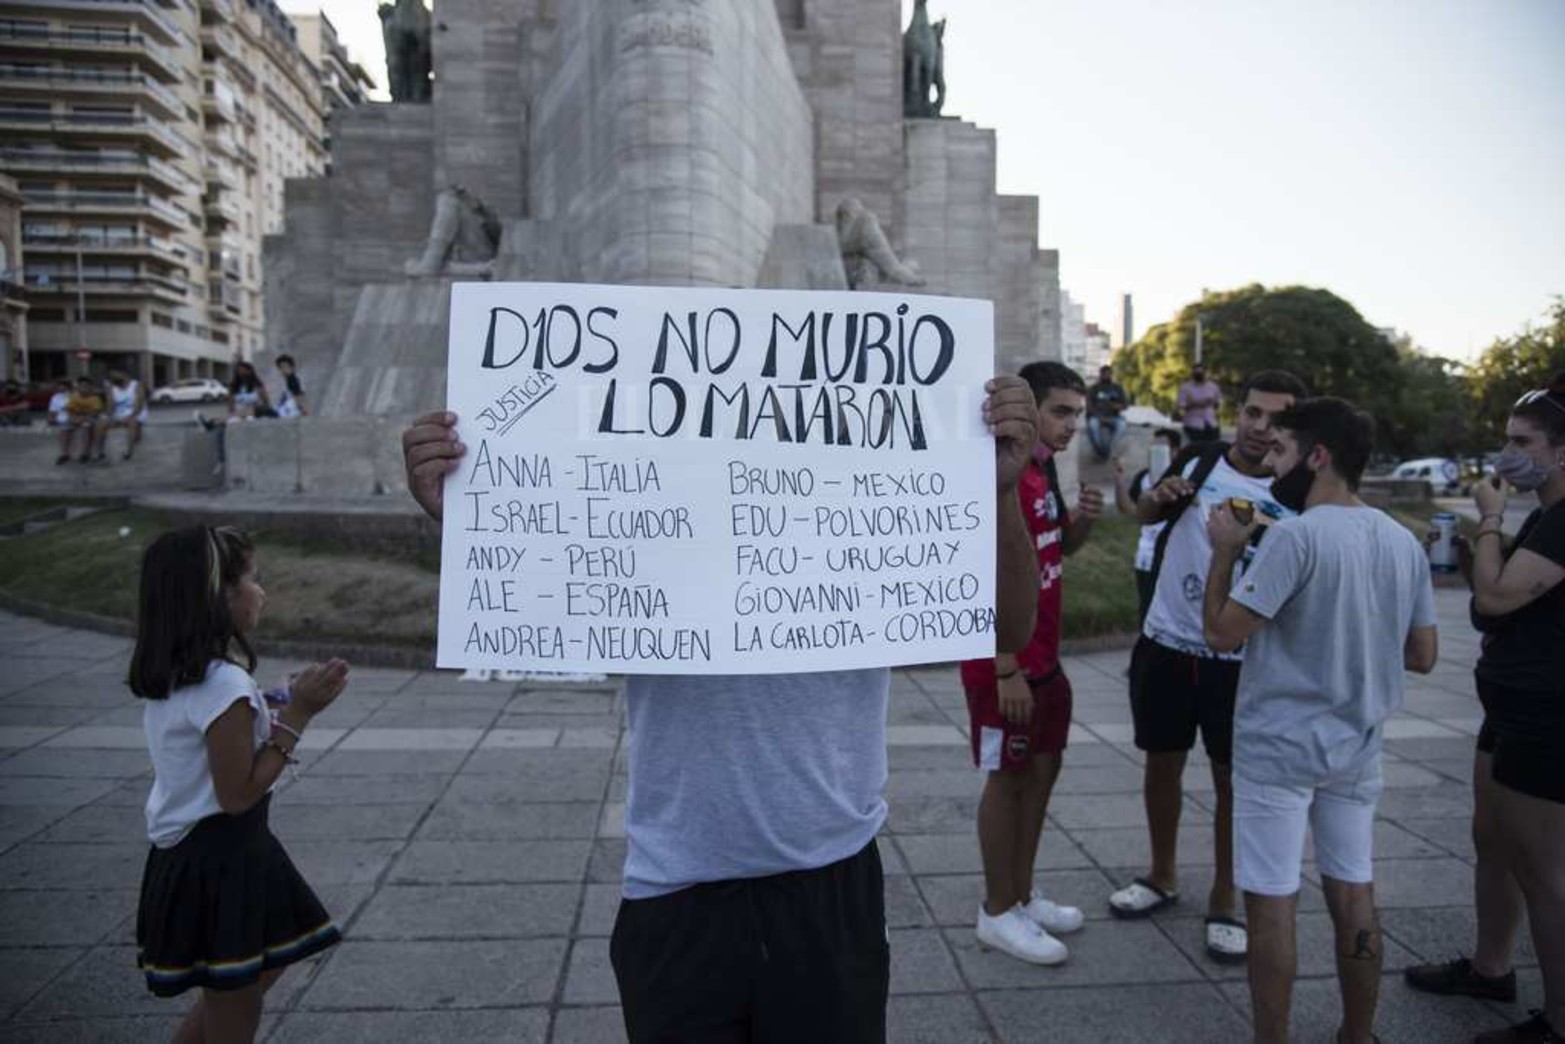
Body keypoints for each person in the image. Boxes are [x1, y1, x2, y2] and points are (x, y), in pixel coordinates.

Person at [401, 376, 1042, 1042]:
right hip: (678, 881)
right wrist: (481, 508)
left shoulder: (865, 515)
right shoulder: (654, 524)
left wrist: (996, 493)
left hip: (829, 874)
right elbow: (551, 585)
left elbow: (1007, 628)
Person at [1201, 397, 1438, 1044]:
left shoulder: (1294, 537)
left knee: (1270, 899)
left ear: (1317, 455)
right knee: (1352, 888)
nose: (1268, 463)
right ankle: (1357, 1035)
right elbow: (1422, 656)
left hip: (1278, 745)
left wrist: (1224, 551)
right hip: (1356, 744)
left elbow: (1222, 634)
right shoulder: (1399, 540)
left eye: (1279, 450)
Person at [1106, 369, 1307, 965]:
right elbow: (1143, 516)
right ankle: (1161, 875)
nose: (1258, 427)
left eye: (1274, 418)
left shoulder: (1298, 491)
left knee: (1229, 782)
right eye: (1251, 412)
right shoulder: (1198, 460)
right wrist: (1156, 498)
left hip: (1239, 659)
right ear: (1235, 412)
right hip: (1165, 644)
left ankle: (1226, 899)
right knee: (1160, 764)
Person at [129, 525, 349, 1042]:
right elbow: (238, 793)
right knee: (236, 1009)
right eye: (253, 578)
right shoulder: (223, 684)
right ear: (219, 595)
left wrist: (267, 705)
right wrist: (299, 712)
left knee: (258, 969)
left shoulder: (178, 675)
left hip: (197, 855)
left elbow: (213, 751)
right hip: (222, 859)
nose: (261, 591)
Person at [1405, 376, 1565, 1044]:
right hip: (1508, 705)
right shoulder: (1542, 513)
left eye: (1521, 443)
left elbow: (1495, 600)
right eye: (1505, 440)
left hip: (1547, 714)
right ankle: (1490, 967)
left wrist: (1490, 522)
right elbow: (1489, 598)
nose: (1506, 455)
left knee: (1540, 866)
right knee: (1490, 840)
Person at [961, 362, 1102, 965]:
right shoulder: (1002, 473)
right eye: (1061, 411)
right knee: (1008, 779)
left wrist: (1087, 522)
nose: (1072, 425)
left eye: (1078, 413)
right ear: (1030, 408)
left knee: (1042, 774)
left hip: (1047, 656)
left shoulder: (1043, 469)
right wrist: (1004, 663)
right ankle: (996, 911)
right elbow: (973, 566)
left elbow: (1058, 544)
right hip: (1007, 661)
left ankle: (1021, 892)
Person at [1115, 427, 1184, 623]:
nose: (1155, 452)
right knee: (1146, 615)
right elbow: (1130, 510)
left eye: (1161, 448)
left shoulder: (1184, 480)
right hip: (1145, 558)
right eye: (1153, 448)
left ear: (1176, 451)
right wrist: (1119, 480)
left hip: (1170, 560)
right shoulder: (1144, 477)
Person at [94, 368, 149, 461]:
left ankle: (129, 452)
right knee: (100, 423)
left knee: (132, 422)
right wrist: (106, 416)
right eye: (112, 376)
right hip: (119, 414)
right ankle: (100, 452)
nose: (113, 377)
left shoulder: (136, 385)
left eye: (115, 374)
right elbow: (111, 405)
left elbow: (139, 404)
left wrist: (132, 415)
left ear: (124, 374)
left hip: (136, 413)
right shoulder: (111, 388)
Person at [1085, 364, 1129, 460]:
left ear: (1111, 375)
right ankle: (1100, 451)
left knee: (1122, 425)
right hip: (1097, 417)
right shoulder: (1094, 388)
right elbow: (1089, 406)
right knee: (1092, 426)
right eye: (1103, 374)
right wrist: (1100, 417)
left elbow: (1125, 405)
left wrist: (1116, 406)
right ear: (1100, 375)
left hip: (1114, 417)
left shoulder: (1117, 388)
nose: (1105, 376)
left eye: (1108, 374)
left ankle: (1108, 449)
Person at [60, 376, 104, 464]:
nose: (84, 388)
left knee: (86, 426)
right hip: (77, 418)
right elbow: (69, 411)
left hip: (90, 419)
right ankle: (64, 454)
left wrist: (81, 418)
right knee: (64, 427)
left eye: (86, 386)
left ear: (90, 387)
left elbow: (94, 413)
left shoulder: (95, 398)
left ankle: (84, 453)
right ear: (78, 387)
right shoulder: (74, 397)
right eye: (82, 386)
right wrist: (74, 418)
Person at [1176, 365, 1223, 444]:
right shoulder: (1186, 388)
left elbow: (1218, 402)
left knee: (1214, 446)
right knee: (1197, 446)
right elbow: (1181, 405)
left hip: (1211, 423)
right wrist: (1197, 403)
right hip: (1193, 424)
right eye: (1197, 373)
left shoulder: (1213, 387)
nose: (1199, 375)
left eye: (1201, 373)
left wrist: (1210, 404)